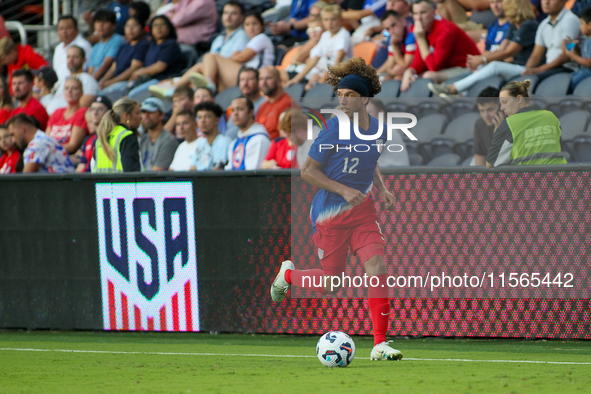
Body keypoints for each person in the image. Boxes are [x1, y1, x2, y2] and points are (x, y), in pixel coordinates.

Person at [269, 57, 403, 362]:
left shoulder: (379, 130)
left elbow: (372, 160)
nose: (342, 99)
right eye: (340, 94)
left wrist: (380, 188)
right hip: (331, 216)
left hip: (363, 214)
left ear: (366, 99)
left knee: (377, 268)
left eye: (350, 95)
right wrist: (343, 189)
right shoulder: (332, 130)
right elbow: (307, 172)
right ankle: (289, 276)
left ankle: (380, 343)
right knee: (331, 285)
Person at [429, 0, 539, 96]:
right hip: (513, 66)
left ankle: (452, 88)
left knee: (494, 65)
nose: (506, 9)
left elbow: (509, 52)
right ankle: (462, 94)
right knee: (485, 65)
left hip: (524, 68)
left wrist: (483, 59)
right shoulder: (513, 25)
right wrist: (480, 60)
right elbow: (501, 49)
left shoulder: (528, 25)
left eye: (508, 5)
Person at [179, 11, 275, 93]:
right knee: (200, 66)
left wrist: (236, 55)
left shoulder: (261, 37)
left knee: (211, 56)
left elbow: (240, 57)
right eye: (247, 24)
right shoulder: (250, 41)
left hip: (254, 75)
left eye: (255, 24)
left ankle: (207, 89)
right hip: (243, 75)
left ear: (262, 26)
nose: (251, 28)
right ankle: (176, 87)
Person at [400, 0, 480, 90]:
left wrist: (420, 39)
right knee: (409, 76)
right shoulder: (423, 29)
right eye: (415, 13)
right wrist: (410, 71)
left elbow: (434, 67)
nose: (418, 18)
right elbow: (420, 59)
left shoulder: (445, 30)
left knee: (428, 76)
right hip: (449, 68)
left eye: (423, 12)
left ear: (433, 12)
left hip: (469, 67)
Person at [486, 80, 567, 167]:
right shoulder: (551, 116)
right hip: (560, 177)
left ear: (519, 99)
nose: (502, 108)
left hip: (528, 178)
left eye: (505, 102)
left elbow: (490, 164)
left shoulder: (509, 123)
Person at [285, 5, 353, 91]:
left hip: (341, 73)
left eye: (333, 19)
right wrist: (296, 79)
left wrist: (327, 80)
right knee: (310, 82)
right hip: (326, 71)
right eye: (326, 19)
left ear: (340, 21)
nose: (329, 23)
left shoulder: (343, 34)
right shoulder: (325, 35)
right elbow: (315, 58)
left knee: (320, 81)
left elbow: (339, 59)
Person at [127, 15, 184, 97]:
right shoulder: (152, 45)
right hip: (149, 79)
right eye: (155, 25)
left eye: (162, 25)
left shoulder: (171, 44)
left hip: (163, 80)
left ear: (169, 27)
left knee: (133, 95)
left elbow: (160, 66)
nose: (158, 28)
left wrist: (140, 72)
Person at [6, 113, 75, 173]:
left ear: (22, 129)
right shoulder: (42, 138)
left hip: (61, 186)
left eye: (13, 134)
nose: (13, 140)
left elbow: (26, 177)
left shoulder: (38, 143)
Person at [98, 16, 150, 94]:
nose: (130, 29)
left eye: (134, 26)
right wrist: (103, 81)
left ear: (142, 28)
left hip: (128, 82)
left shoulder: (143, 45)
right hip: (115, 81)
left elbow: (134, 68)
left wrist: (111, 82)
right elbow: (113, 68)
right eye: (128, 26)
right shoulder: (124, 46)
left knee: (103, 94)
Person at [93, 97, 141, 172]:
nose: (140, 117)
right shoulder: (127, 136)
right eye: (137, 113)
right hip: (122, 184)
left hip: (101, 184)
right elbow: (131, 171)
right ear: (126, 116)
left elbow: (93, 167)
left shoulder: (103, 136)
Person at [46, 46, 99, 115]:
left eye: (75, 57)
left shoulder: (87, 79)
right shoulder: (63, 80)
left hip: (67, 120)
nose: (71, 60)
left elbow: (83, 105)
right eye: (68, 57)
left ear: (84, 60)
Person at [225, 96, 271, 170]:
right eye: (233, 110)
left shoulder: (259, 140)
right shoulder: (234, 143)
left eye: (240, 109)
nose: (235, 113)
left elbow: (253, 173)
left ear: (251, 112)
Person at [46, 77, 89, 154]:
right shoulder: (57, 112)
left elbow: (72, 146)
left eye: (74, 88)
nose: (69, 91)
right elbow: (45, 139)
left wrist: (48, 149)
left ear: (81, 92)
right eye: (66, 88)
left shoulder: (82, 112)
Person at [279, 16, 325, 85]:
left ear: (325, 29)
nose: (313, 33)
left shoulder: (319, 43)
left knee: (275, 75)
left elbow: (297, 58)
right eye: (310, 30)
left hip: (306, 76)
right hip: (296, 72)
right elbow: (294, 60)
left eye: (317, 29)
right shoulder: (311, 44)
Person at [225, 67, 267, 141]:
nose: (245, 83)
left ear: (258, 82)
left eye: (250, 79)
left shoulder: (265, 104)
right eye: (242, 80)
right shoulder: (234, 105)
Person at [138, 97, 179, 171]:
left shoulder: (168, 141)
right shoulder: (143, 139)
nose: (146, 115)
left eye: (151, 111)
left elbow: (156, 174)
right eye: (144, 112)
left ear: (161, 115)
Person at [88, 8, 127, 81]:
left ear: (113, 25)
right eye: (98, 21)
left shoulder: (118, 40)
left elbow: (106, 65)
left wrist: (91, 82)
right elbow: (91, 69)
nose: (101, 25)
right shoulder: (96, 47)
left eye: (105, 21)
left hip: (109, 81)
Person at [255, 66, 294, 140]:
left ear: (279, 81)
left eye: (269, 78)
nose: (264, 82)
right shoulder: (263, 106)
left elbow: (285, 138)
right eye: (261, 79)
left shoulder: (287, 103)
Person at [375, 10, 414, 81]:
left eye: (393, 25)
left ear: (401, 21)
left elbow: (405, 65)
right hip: (405, 73)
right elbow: (389, 65)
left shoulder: (411, 33)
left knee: (397, 79)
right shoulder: (392, 37)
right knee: (383, 79)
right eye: (387, 29)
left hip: (419, 71)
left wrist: (395, 46)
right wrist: (392, 71)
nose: (392, 31)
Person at [190, 102, 231, 170]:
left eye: (207, 116)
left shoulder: (224, 142)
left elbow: (217, 171)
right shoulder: (201, 143)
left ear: (217, 120)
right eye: (199, 117)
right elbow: (192, 168)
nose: (202, 120)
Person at [53, 16, 94, 83]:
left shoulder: (83, 45)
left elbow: (86, 70)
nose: (64, 32)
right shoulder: (58, 48)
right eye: (61, 28)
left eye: (68, 28)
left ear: (76, 30)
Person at [77, 95, 111, 172]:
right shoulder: (88, 139)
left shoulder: (112, 136)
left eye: (100, 109)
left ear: (109, 113)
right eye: (92, 109)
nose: (95, 112)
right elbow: (82, 166)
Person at [563, 6, 591, 92]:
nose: (580, 27)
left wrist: (572, 55)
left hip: (588, 73)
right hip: (582, 71)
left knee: (568, 84)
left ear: (590, 25)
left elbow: (589, 63)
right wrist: (574, 48)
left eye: (582, 24)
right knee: (564, 80)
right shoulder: (586, 39)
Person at [473, 87, 501, 166]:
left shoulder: (511, 123)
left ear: (501, 107)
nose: (486, 115)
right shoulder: (480, 124)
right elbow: (479, 163)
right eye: (482, 111)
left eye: (490, 110)